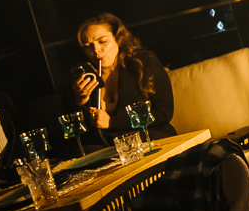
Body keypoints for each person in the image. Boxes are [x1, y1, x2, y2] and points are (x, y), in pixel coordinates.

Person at [73, 13, 176, 145]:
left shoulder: (143, 63)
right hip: (109, 145)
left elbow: (164, 112)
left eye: (102, 41)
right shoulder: (83, 77)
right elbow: (76, 131)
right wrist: (81, 101)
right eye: (88, 45)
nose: (96, 49)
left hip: (150, 138)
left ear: (118, 39)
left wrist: (112, 121)